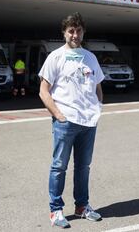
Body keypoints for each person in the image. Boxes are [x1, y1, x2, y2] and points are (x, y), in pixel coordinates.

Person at [38, 12, 104, 228]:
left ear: (83, 32)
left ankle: (82, 206)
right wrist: (59, 115)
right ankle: (55, 210)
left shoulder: (91, 58)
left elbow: (98, 88)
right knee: (59, 166)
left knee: (83, 167)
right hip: (66, 122)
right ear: (64, 33)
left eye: (78, 30)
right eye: (71, 31)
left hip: (88, 123)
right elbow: (43, 91)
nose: (75, 35)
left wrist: (97, 110)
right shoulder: (55, 57)